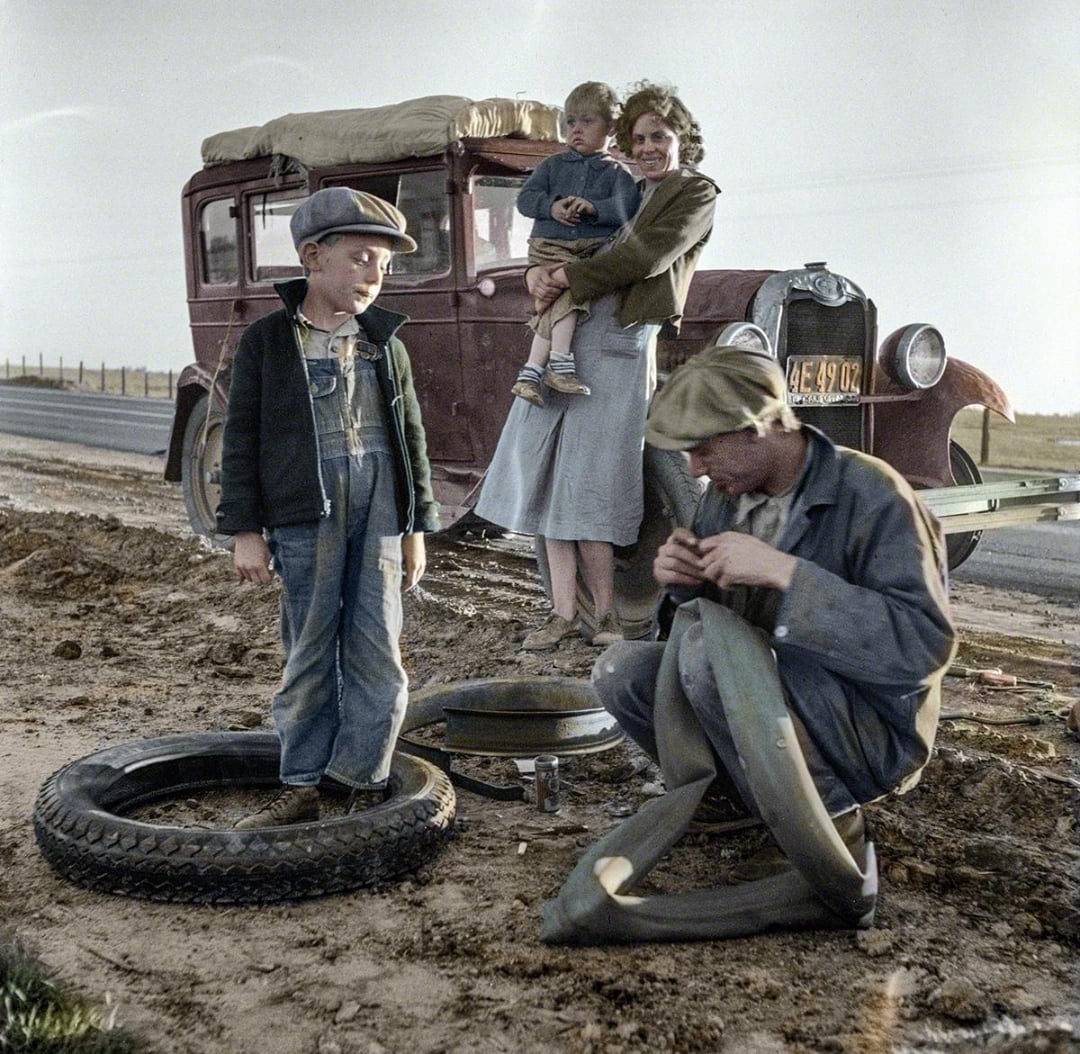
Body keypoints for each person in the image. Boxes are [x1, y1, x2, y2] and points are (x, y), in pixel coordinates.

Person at [591, 344, 957, 879]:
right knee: (621, 670)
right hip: (772, 702)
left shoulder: (874, 494)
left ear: (758, 427)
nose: (693, 468)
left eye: (703, 449)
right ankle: (735, 797)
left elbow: (921, 650)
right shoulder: (728, 495)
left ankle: (829, 819)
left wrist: (787, 574)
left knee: (711, 657)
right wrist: (686, 587)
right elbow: (709, 631)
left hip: (865, 730)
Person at [216, 187, 439, 829]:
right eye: (362, 258)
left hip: (380, 510)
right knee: (310, 650)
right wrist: (245, 530)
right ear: (313, 257)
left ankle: (359, 783)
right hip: (304, 511)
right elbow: (241, 439)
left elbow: (412, 438)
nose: (375, 275)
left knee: (378, 649)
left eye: (385, 265)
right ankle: (303, 782)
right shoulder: (267, 342)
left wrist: (416, 528)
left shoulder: (385, 343)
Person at [476, 81, 718, 651]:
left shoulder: (694, 193)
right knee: (547, 476)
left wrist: (562, 276)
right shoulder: (623, 185)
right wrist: (536, 273)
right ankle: (563, 613)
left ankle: (608, 616)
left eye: (660, 136)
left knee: (594, 486)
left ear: (682, 139)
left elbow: (644, 256)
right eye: (639, 138)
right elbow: (560, 238)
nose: (649, 147)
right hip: (569, 335)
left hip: (617, 346)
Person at [511, 81, 641, 406]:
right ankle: (559, 365)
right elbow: (525, 199)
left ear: (610, 128)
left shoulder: (618, 174)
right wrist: (551, 206)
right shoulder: (552, 166)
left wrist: (595, 208)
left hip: (586, 251)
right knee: (570, 296)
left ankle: (530, 374)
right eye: (571, 122)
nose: (576, 130)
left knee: (557, 300)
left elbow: (628, 209)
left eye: (587, 121)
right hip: (549, 247)